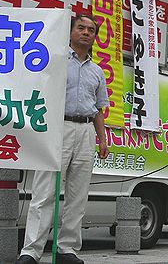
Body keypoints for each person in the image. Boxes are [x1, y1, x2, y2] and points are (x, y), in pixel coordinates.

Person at [16, 14, 109, 264]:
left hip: (86, 131)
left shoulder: (97, 71)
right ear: (70, 32)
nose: (86, 33)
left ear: (94, 37)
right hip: (56, 128)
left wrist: (102, 139)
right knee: (44, 191)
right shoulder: (54, 61)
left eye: (91, 30)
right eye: (81, 28)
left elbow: (98, 108)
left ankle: (67, 249)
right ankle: (31, 251)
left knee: (77, 196)